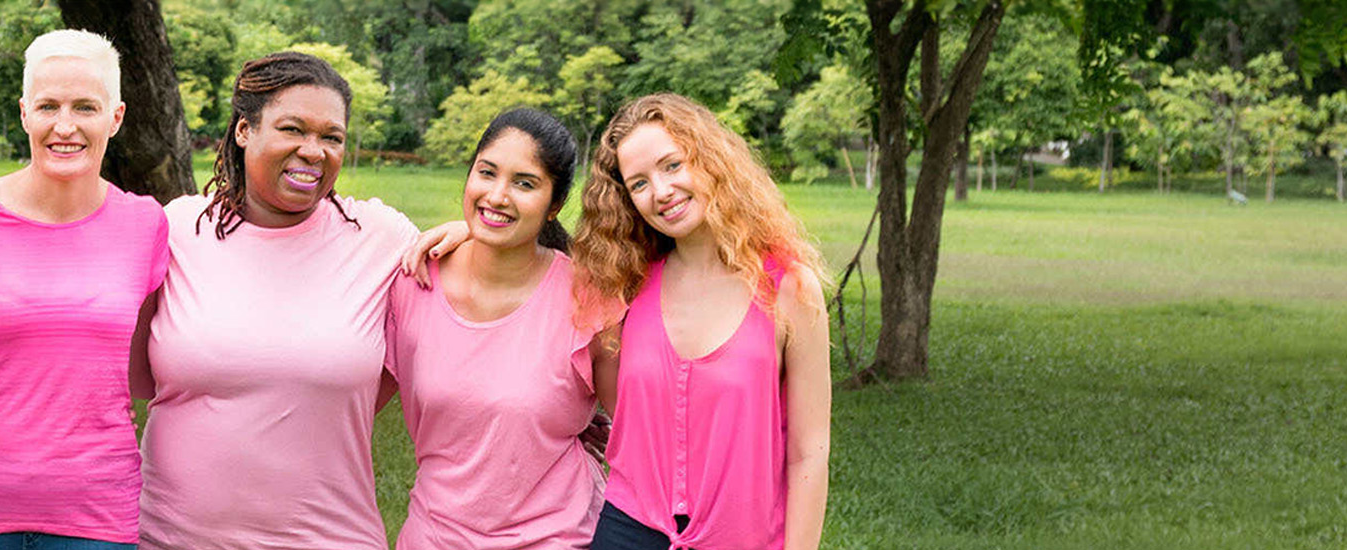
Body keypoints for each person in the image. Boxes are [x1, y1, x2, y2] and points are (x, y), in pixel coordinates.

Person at [130, 51, 464, 549]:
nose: (314, 150)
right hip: (172, 538)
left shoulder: (382, 238)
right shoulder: (177, 229)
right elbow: (136, 375)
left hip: (330, 538)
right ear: (244, 130)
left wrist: (474, 235)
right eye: (293, 129)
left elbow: (476, 318)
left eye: (332, 137)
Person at [0, 30, 164, 550]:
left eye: (85, 107)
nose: (64, 126)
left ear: (115, 118)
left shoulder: (146, 224)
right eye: (48, 106)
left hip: (96, 516)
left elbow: (144, 367)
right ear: (25, 113)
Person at [575, 94, 832, 550]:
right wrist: (465, 236)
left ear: (710, 159)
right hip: (628, 530)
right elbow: (531, 275)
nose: (661, 191)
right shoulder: (626, 284)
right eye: (639, 184)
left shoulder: (789, 288)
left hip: (744, 538)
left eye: (672, 165)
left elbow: (809, 453)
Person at [381, 107, 606, 548]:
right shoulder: (413, 282)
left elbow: (644, 429)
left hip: (557, 537)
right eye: (487, 173)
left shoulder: (585, 295)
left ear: (554, 205)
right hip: (434, 535)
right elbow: (344, 404)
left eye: (525, 183)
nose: (498, 196)